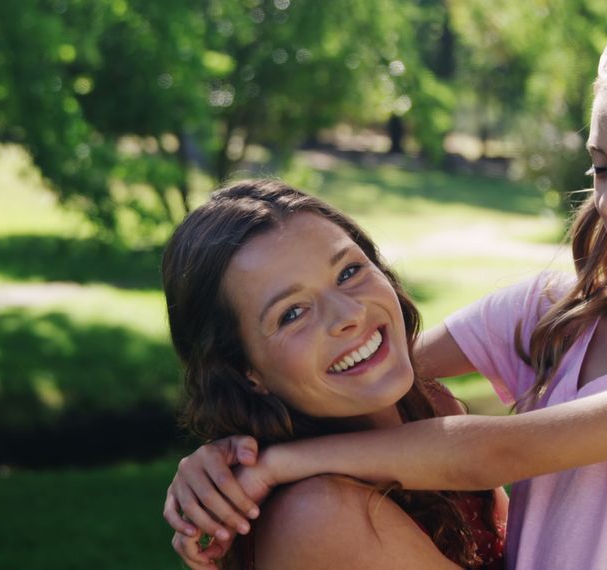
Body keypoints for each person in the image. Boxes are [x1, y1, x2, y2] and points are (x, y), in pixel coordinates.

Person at [165, 5, 607, 569]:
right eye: (599, 167)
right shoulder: (556, 309)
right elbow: (372, 370)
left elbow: (498, 452)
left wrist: (278, 465)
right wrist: (229, 455)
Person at [161, 180, 507, 569]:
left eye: (349, 272)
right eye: (292, 313)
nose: (349, 315)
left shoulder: (429, 404)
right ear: (245, 371)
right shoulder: (318, 513)